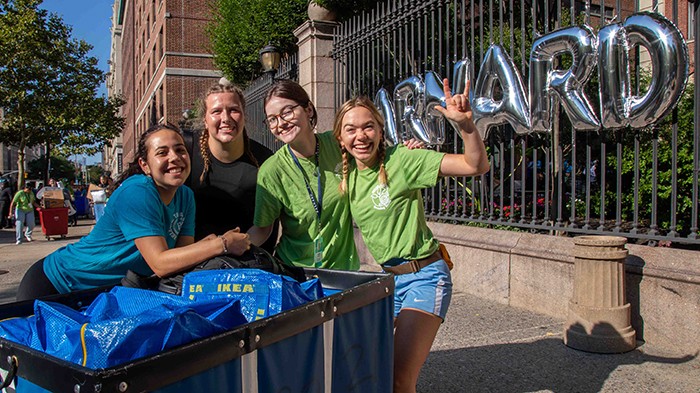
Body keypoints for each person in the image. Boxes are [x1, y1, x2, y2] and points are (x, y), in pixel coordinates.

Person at [332, 79, 489, 393]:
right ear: (340, 137)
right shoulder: (345, 178)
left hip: (424, 276)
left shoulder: (403, 161)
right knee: (363, 364)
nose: (360, 136)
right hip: (388, 283)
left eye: (368, 127)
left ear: (380, 130)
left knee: (400, 379)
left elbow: (475, 165)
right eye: (351, 129)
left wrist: (466, 126)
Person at [16, 124, 251, 301]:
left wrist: (207, 245)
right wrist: (221, 244)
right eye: (162, 152)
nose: (174, 158)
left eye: (180, 150)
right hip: (56, 284)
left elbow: (181, 256)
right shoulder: (137, 192)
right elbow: (160, 263)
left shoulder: (185, 196)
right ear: (145, 165)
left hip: (104, 294)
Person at [249, 80, 360, 270]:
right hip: (296, 275)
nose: (281, 123)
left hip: (345, 272)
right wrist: (225, 248)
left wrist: (409, 150)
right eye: (272, 119)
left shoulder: (338, 145)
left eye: (287, 112)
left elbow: (376, 153)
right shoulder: (271, 171)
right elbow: (262, 229)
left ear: (308, 109)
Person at [187, 81, 277, 252]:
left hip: (247, 260)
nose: (226, 118)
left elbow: (266, 226)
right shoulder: (187, 153)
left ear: (244, 115)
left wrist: (234, 253)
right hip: (194, 260)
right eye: (216, 111)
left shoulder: (265, 160)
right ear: (205, 120)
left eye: (234, 110)